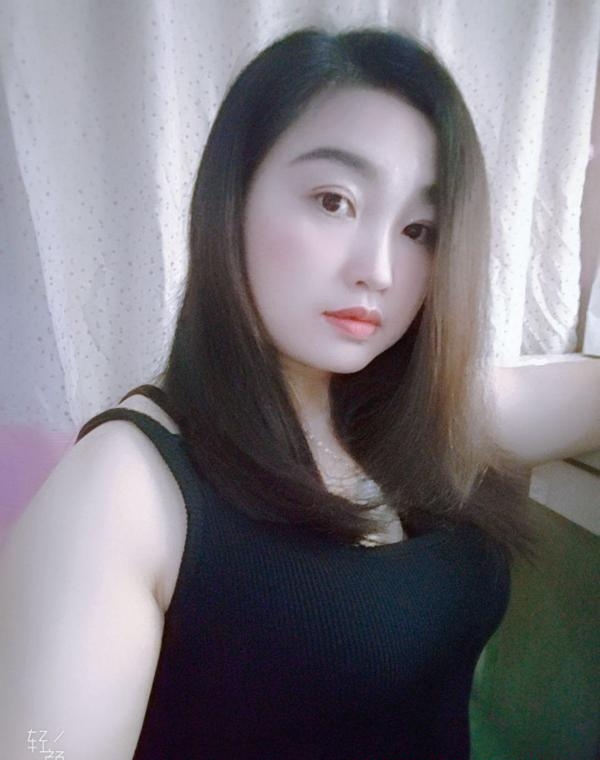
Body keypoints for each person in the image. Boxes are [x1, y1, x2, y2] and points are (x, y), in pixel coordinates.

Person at [1, 26, 599, 760]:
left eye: (419, 228)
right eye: (333, 201)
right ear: (232, 200)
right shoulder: (124, 488)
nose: (378, 269)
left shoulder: (425, 415)